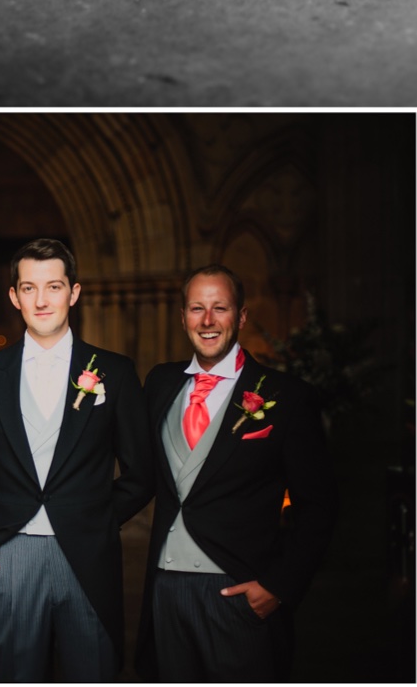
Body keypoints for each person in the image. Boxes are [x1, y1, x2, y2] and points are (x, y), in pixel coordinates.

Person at [0, 237, 152, 683]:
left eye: (54, 286)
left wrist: (93, 519)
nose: (42, 300)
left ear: (74, 293)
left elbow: (142, 472)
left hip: (88, 559)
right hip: (8, 559)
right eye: (30, 288)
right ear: (14, 296)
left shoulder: (114, 372)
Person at [136, 267, 338, 684]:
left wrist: (278, 585)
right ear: (183, 316)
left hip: (238, 594)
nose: (207, 320)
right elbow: (142, 478)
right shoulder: (159, 383)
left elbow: (319, 506)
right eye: (197, 308)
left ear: (241, 317)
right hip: (165, 592)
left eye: (219, 308)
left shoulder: (287, 396)